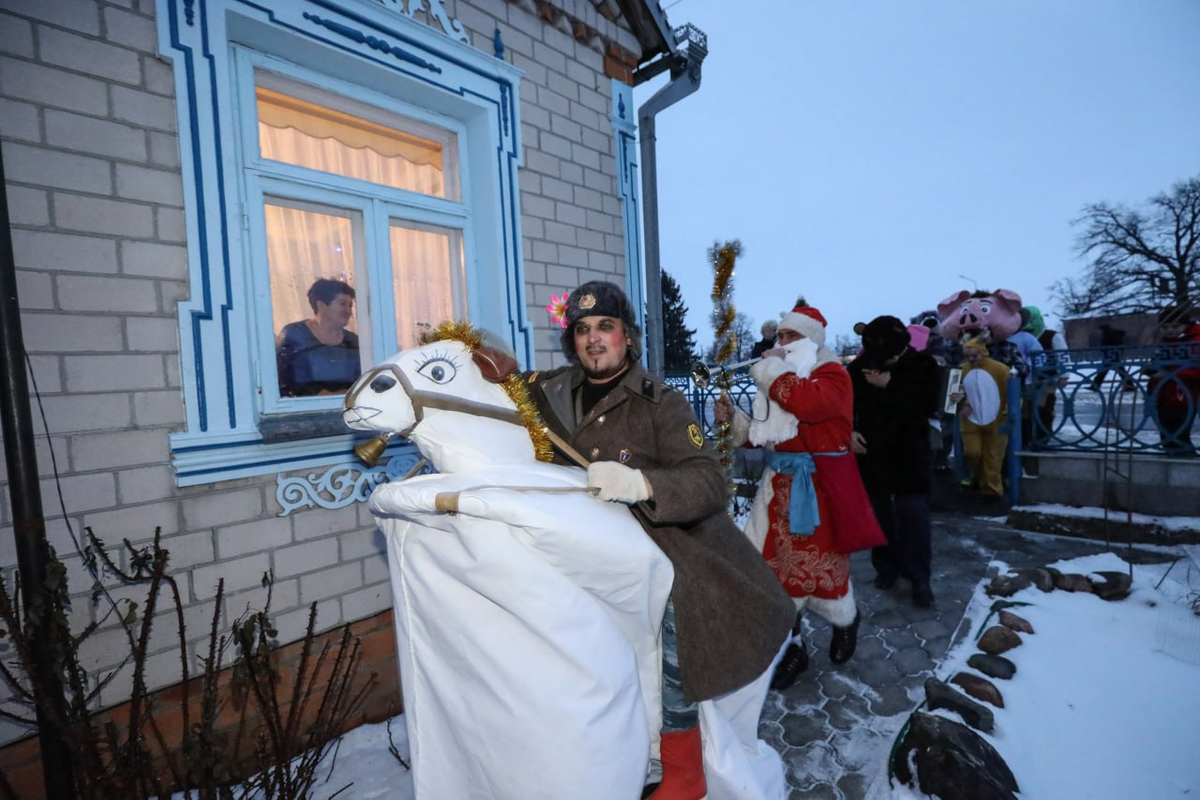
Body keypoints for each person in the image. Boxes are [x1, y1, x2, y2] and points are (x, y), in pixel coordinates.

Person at [526, 281, 794, 800]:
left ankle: (684, 769)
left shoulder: (660, 402)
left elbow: (709, 480)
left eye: (606, 327)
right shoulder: (552, 392)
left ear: (627, 336)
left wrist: (642, 483)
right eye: (582, 330)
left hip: (664, 542)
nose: (594, 340)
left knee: (679, 618)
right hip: (575, 543)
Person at [717, 306, 884, 690]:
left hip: (819, 486)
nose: (782, 344)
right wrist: (733, 419)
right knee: (768, 568)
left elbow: (807, 403)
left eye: (791, 337)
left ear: (811, 340)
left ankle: (845, 619)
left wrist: (770, 369)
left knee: (816, 567)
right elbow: (758, 436)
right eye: (780, 337)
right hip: (777, 485)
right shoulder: (782, 379)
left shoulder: (832, 375)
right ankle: (792, 647)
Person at [848, 316, 941, 608]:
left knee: (913, 515)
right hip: (872, 455)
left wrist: (890, 383)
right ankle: (886, 568)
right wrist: (848, 432)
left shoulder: (922, 366)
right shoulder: (859, 368)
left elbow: (929, 405)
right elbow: (844, 405)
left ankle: (919, 579)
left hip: (909, 456)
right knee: (879, 517)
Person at [276, 278, 361, 396]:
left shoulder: (353, 341)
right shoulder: (294, 334)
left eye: (350, 305)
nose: (348, 311)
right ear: (321, 305)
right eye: (342, 304)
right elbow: (285, 379)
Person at [950, 336, 1011, 500]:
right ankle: (977, 478)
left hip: (997, 418)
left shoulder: (1000, 369)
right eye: (968, 356)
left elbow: (1011, 392)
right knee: (972, 453)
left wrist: (1008, 411)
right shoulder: (961, 370)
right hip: (970, 420)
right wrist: (960, 403)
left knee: (993, 456)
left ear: (983, 353)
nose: (971, 359)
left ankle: (992, 490)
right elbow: (952, 394)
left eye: (974, 356)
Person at [1148, 301, 1200, 457]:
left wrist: (1169, 374)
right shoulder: (1166, 343)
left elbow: (1197, 371)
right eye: (1166, 327)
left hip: (1185, 396)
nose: (1170, 330)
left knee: (1179, 438)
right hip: (1164, 396)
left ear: (1186, 325)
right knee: (1168, 438)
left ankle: (1189, 471)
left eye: (1175, 326)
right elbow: (1159, 364)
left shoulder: (1195, 341)